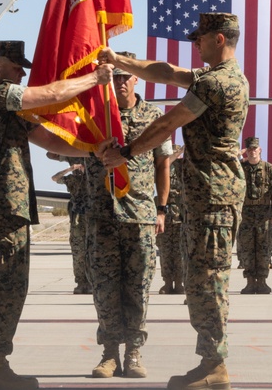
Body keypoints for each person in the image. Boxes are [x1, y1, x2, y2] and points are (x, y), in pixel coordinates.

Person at [98, 13, 249, 390]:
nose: (194, 44)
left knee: (207, 281)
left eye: (199, 38)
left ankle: (215, 365)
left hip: (215, 195)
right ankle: (210, 363)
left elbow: (169, 123)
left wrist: (127, 151)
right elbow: (164, 72)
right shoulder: (218, 76)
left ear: (218, 38)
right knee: (199, 279)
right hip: (207, 196)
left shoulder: (219, 82)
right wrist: (117, 60)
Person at [0, 39, 113, 390]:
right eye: (17, 66)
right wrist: (93, 79)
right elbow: (49, 94)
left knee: (11, 287)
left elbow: (49, 140)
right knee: (4, 287)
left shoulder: (7, 107)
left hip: (9, 208)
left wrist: (91, 150)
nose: (23, 73)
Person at [80, 51, 171, 379]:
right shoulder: (94, 115)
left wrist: (161, 209)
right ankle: (109, 354)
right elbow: (63, 146)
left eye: (125, 76)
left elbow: (164, 163)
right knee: (104, 287)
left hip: (141, 215)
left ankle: (134, 351)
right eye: (114, 76)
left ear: (136, 78)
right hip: (102, 216)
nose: (120, 82)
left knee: (138, 286)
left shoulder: (153, 116)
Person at [236, 137, 272, 294]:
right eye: (249, 149)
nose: (252, 151)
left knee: (264, 249)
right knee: (247, 249)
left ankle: (262, 282)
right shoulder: (240, 167)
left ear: (260, 150)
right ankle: (249, 282)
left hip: (263, 214)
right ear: (246, 151)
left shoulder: (269, 168)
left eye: (255, 149)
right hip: (245, 214)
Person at [48, 158, 91, 294]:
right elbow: (55, 178)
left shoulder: (94, 178)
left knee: (93, 252)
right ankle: (81, 283)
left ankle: (92, 283)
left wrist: (88, 171)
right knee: (78, 253)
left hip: (92, 218)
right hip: (77, 219)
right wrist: (70, 169)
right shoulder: (71, 179)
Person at [155, 146, 185, 295]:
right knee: (166, 251)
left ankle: (179, 282)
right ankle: (167, 282)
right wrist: (173, 156)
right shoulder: (162, 168)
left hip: (180, 215)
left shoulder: (183, 169)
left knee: (179, 252)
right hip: (164, 215)